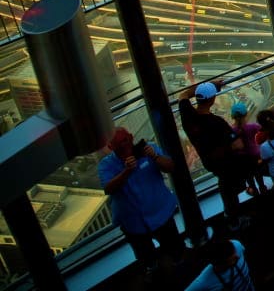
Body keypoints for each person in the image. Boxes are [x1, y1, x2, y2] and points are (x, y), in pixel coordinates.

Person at [98, 127, 185, 277]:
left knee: (174, 248)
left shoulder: (148, 150)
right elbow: (108, 188)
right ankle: (153, 270)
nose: (124, 145)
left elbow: (170, 166)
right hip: (133, 222)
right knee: (146, 256)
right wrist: (126, 172)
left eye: (125, 140)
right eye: (119, 144)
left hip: (161, 214)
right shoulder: (106, 165)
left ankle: (181, 268)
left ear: (131, 137)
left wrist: (155, 157)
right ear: (111, 147)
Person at [178, 79, 251, 230]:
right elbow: (238, 145)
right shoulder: (217, 123)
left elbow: (183, 94)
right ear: (212, 99)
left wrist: (205, 87)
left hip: (209, 161)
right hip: (225, 162)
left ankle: (232, 216)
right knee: (229, 189)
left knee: (226, 186)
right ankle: (234, 219)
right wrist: (212, 84)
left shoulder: (187, 115)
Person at [184, 237, 254, 291]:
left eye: (234, 251)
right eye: (232, 258)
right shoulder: (204, 280)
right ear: (220, 264)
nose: (237, 256)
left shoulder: (236, 245)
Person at [230, 101, 268, 195]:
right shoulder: (252, 127)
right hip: (255, 155)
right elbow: (263, 129)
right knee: (258, 174)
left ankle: (253, 190)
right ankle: (263, 188)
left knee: (249, 176)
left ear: (232, 116)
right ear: (246, 114)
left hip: (242, 160)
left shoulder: (231, 130)